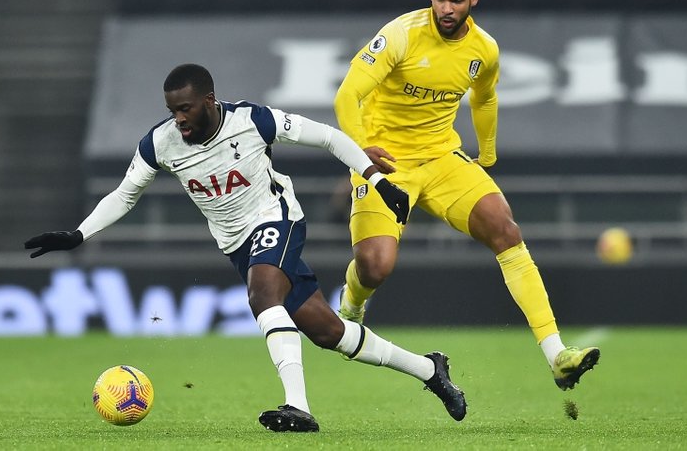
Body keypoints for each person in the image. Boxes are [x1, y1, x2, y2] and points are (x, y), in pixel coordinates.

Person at [24, 63, 467, 432]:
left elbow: (329, 137)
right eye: (172, 110)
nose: (178, 118)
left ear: (209, 102)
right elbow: (124, 195)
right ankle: (431, 369)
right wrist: (79, 234)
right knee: (329, 332)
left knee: (262, 297)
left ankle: (300, 407)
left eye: (185, 108)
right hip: (238, 244)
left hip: (278, 219)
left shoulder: (253, 121)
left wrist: (376, 179)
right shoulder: (159, 143)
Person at [334, 0, 599, 391]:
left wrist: (487, 155)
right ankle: (352, 305)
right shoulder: (400, 35)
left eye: (456, 0)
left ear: (473, 0)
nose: (446, 8)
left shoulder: (484, 50)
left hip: (442, 158)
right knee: (375, 266)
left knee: (506, 230)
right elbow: (348, 94)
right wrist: (362, 151)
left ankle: (557, 354)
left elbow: (484, 98)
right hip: (385, 162)